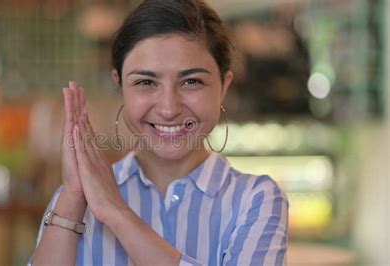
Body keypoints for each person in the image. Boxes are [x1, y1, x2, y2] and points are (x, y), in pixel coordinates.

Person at [30, 0, 288, 265]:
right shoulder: (76, 196)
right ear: (120, 85)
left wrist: (116, 211)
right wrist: (72, 199)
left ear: (224, 85)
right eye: (145, 82)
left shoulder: (256, 199)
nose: (168, 108)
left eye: (191, 81)